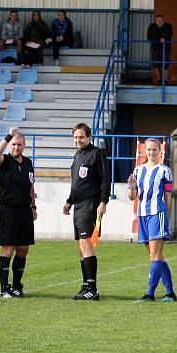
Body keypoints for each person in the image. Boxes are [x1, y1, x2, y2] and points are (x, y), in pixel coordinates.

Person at [62, 123, 110, 301]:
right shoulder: (77, 155)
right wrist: (69, 201)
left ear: (89, 137)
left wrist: (103, 201)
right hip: (78, 206)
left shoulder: (97, 153)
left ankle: (93, 288)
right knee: (80, 247)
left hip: (90, 205)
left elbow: (106, 179)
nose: (78, 140)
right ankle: (86, 286)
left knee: (86, 244)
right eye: (75, 137)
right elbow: (77, 185)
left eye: (81, 137)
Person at [127, 138, 176, 303]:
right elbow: (132, 197)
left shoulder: (165, 171)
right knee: (157, 256)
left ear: (160, 151)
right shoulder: (138, 171)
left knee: (154, 256)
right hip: (142, 215)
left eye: (154, 149)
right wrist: (132, 187)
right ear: (144, 151)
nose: (151, 152)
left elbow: (168, 197)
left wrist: (166, 218)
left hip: (157, 214)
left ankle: (149, 294)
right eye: (149, 149)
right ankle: (170, 293)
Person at [0, 127, 36, 298]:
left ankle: (17, 285)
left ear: (24, 145)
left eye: (19, 144)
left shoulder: (28, 163)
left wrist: (33, 207)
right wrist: (8, 135)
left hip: (25, 210)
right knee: (8, 248)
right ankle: (4, 288)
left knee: (23, 249)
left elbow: (31, 186)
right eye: (13, 144)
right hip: (8, 209)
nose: (16, 147)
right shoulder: (4, 161)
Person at [147, 13, 173, 85]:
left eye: (161, 21)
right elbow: (149, 37)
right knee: (156, 66)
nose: (159, 22)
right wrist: (159, 39)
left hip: (166, 49)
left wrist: (163, 38)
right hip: (155, 49)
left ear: (163, 21)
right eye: (158, 21)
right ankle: (159, 81)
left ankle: (165, 82)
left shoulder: (168, 26)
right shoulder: (151, 26)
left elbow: (169, 36)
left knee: (165, 66)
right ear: (155, 21)